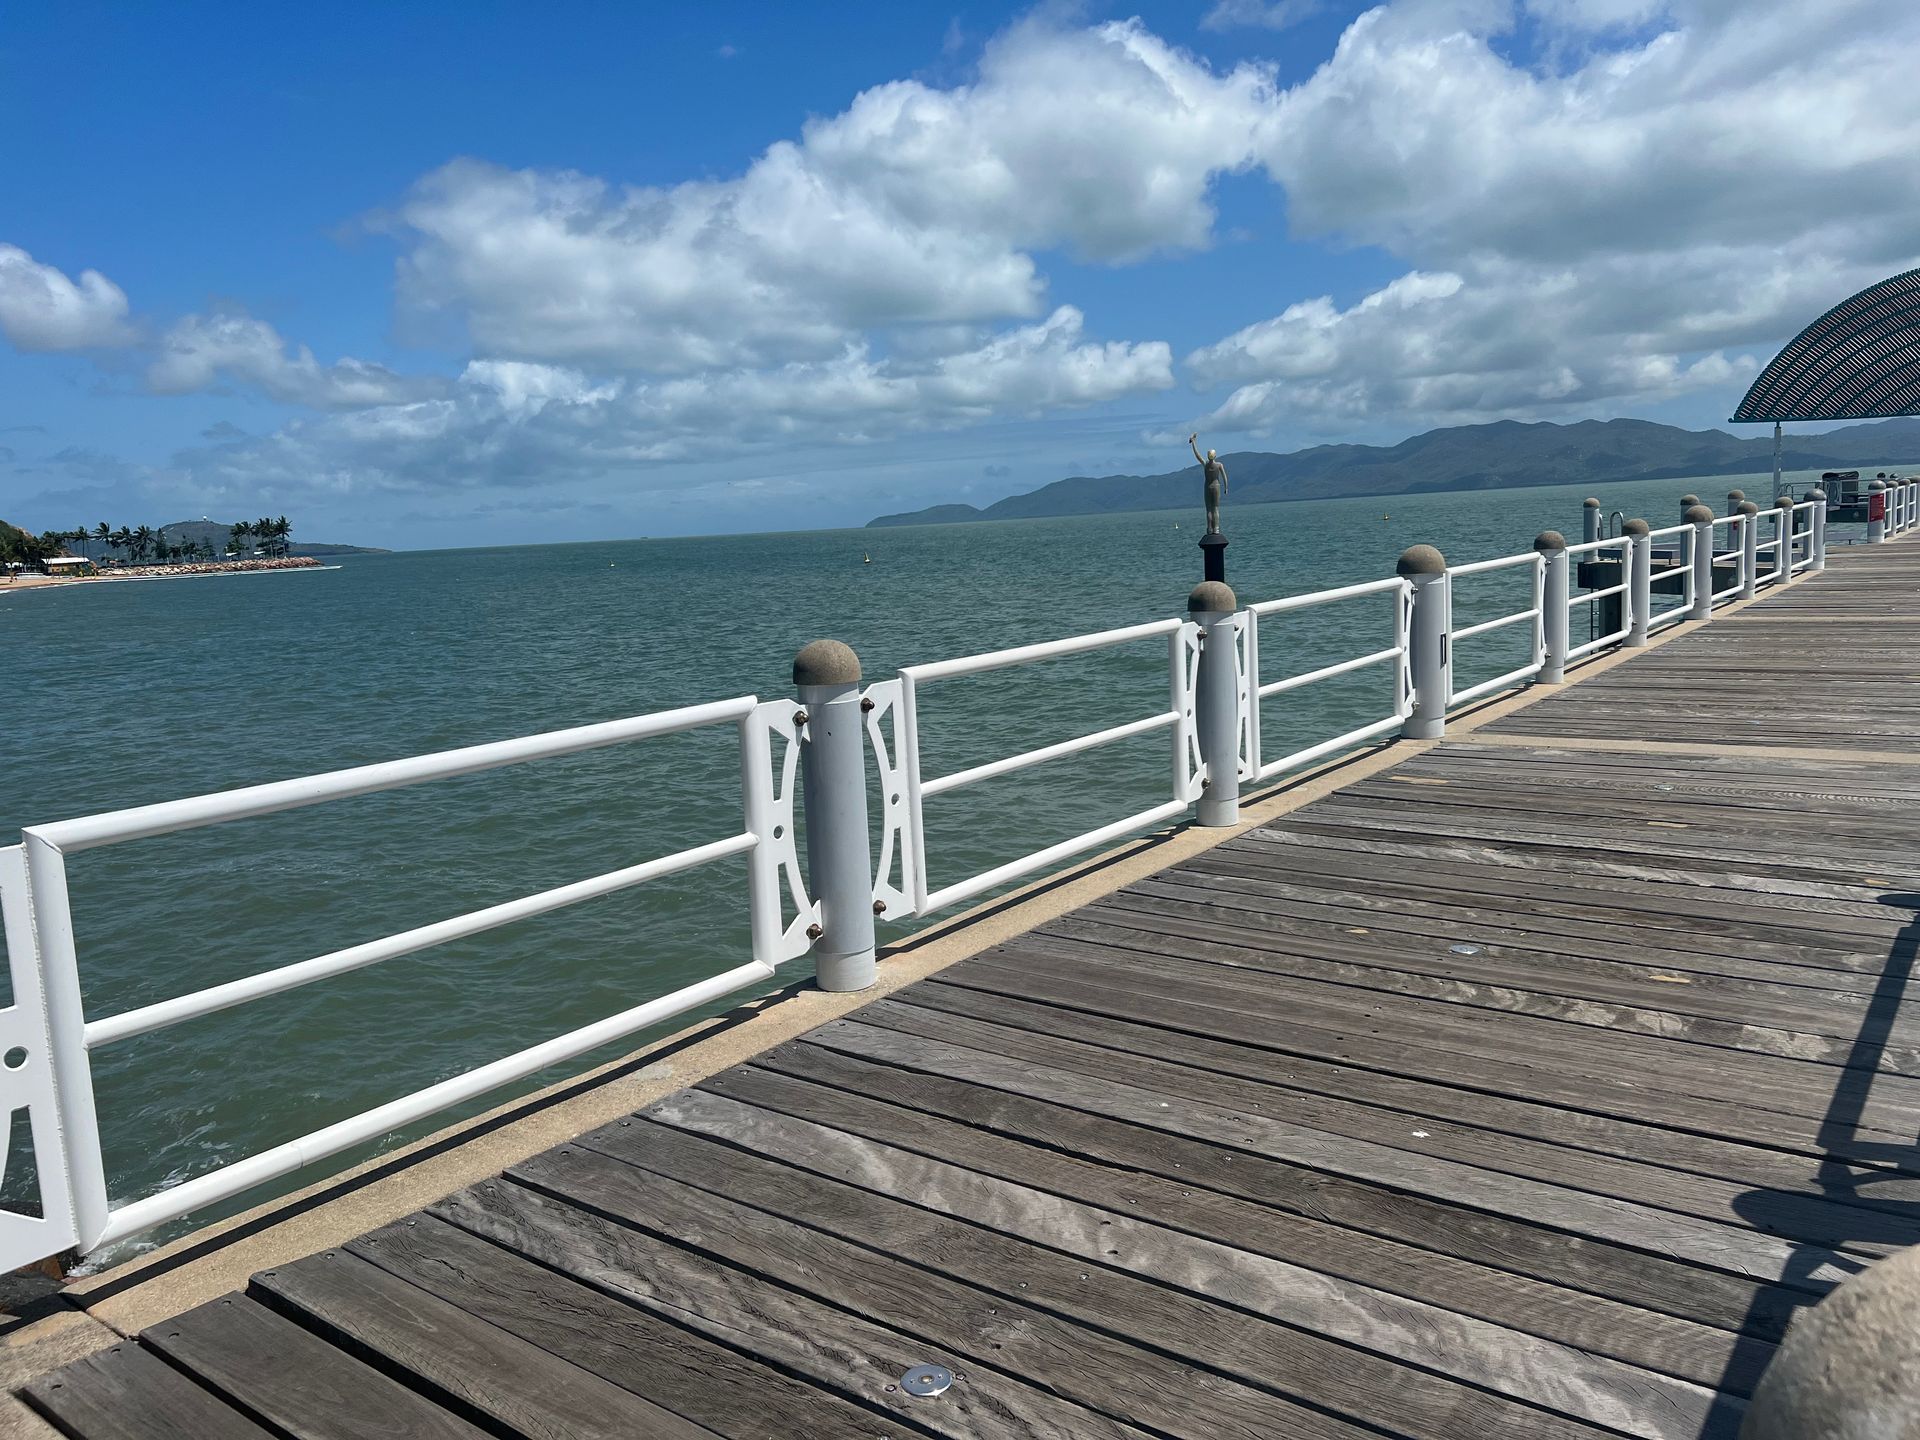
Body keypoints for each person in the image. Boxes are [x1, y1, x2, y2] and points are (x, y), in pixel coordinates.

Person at [1189, 434, 1227, 533]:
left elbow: (1197, 455)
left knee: (1209, 509)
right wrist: (1226, 488)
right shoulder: (1219, 465)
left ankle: (1209, 528)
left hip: (1207, 487)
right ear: (1215, 455)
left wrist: (1193, 443)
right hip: (1216, 486)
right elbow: (1224, 477)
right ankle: (1216, 528)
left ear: (1208, 456)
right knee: (1216, 509)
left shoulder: (1205, 464)